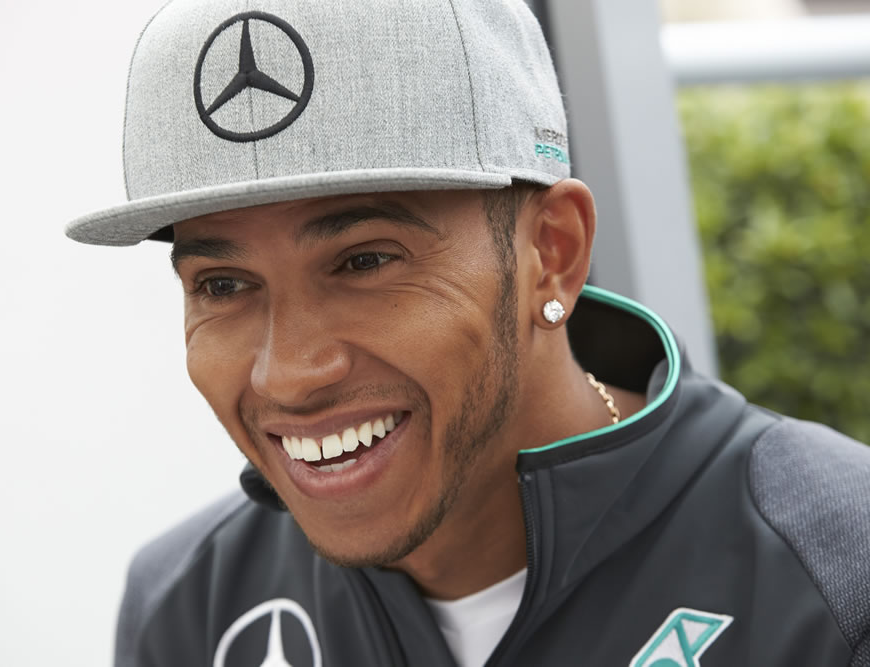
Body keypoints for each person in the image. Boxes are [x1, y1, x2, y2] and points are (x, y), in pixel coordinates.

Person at [66, 1, 870, 665]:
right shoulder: (188, 603)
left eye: (364, 260)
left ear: (552, 253)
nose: (289, 374)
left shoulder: (835, 574)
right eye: (223, 284)